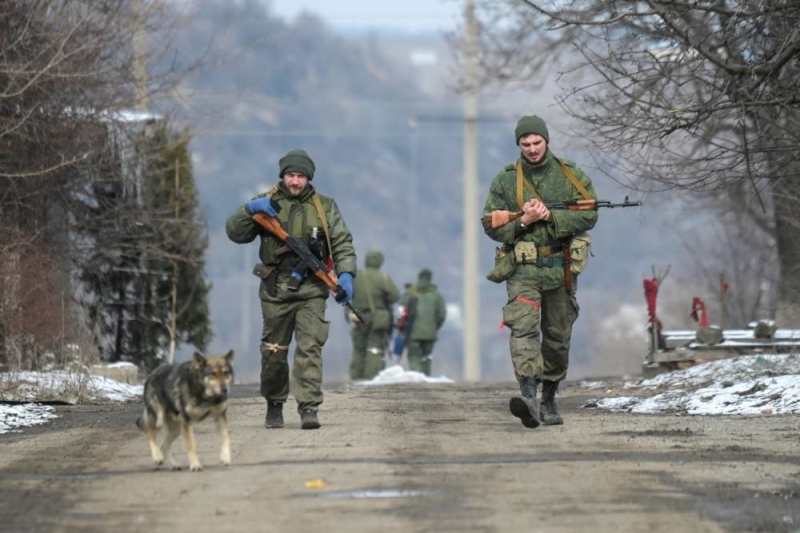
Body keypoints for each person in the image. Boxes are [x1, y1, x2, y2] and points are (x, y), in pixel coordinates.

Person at [225, 148, 356, 430]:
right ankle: (274, 403)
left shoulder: (326, 207)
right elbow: (235, 233)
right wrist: (249, 210)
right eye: (290, 175)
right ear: (283, 176)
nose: (295, 181)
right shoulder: (267, 203)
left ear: (309, 178)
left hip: (312, 288)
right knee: (274, 352)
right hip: (275, 289)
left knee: (310, 347)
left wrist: (345, 274)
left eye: (300, 176)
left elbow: (342, 242)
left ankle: (309, 407)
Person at [482, 115, 598, 428]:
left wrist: (551, 218)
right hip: (523, 271)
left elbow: (589, 214)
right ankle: (529, 395)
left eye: (537, 142)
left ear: (546, 141)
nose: (532, 149)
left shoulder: (570, 174)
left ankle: (548, 398)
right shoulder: (506, 181)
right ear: (518, 145)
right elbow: (489, 225)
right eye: (525, 144)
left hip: (560, 269)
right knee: (523, 330)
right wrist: (524, 221)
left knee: (557, 339)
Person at [347, 250, 400, 380]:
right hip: (378, 317)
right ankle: (371, 378)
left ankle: (356, 377)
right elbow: (395, 296)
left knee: (359, 348)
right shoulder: (384, 278)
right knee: (374, 348)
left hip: (358, 315)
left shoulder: (356, 277)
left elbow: (347, 296)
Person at [398, 269, 447, 376]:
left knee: (414, 356)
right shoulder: (436, 296)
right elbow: (441, 314)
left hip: (413, 332)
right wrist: (435, 327)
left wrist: (401, 326)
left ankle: (416, 378)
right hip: (430, 333)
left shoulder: (411, 292)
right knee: (426, 356)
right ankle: (426, 379)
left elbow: (401, 310)